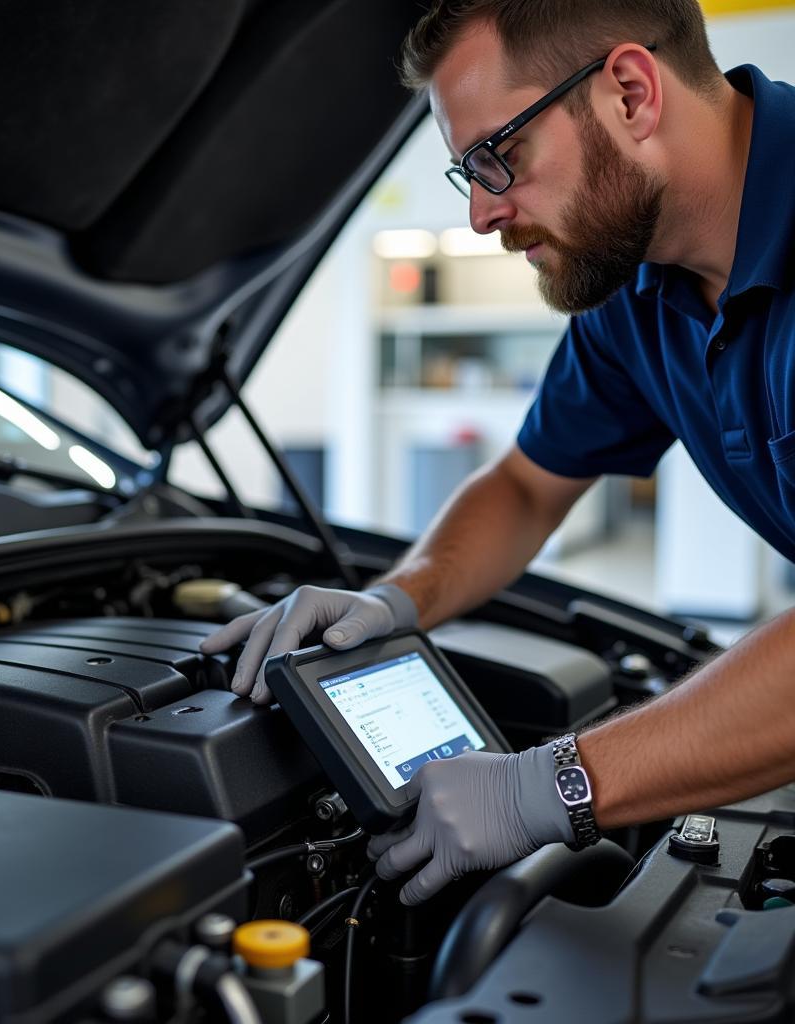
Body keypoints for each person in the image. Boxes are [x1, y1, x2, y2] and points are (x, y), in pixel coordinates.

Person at [202, 0, 795, 907]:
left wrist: (552, 785)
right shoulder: (640, 292)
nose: (481, 213)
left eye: (498, 155)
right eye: (464, 173)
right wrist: (399, 598)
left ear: (631, 92)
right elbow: (525, 485)